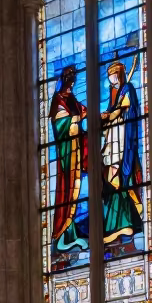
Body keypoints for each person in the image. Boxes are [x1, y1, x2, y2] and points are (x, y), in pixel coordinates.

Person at [100, 59, 145, 246]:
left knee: (119, 174)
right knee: (111, 174)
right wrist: (107, 116)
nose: (111, 78)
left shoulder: (128, 89)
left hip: (122, 138)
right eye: (109, 75)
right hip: (113, 137)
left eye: (113, 74)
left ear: (119, 74)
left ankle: (129, 218)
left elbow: (124, 108)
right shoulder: (116, 93)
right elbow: (114, 110)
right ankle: (115, 224)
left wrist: (110, 115)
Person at [49, 64, 89, 259]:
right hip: (66, 153)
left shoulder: (71, 99)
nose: (72, 87)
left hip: (76, 150)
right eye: (70, 83)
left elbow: (84, 111)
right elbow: (60, 123)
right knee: (66, 192)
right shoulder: (57, 101)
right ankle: (61, 236)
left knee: (75, 190)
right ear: (65, 82)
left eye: (74, 83)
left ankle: (70, 231)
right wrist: (73, 121)